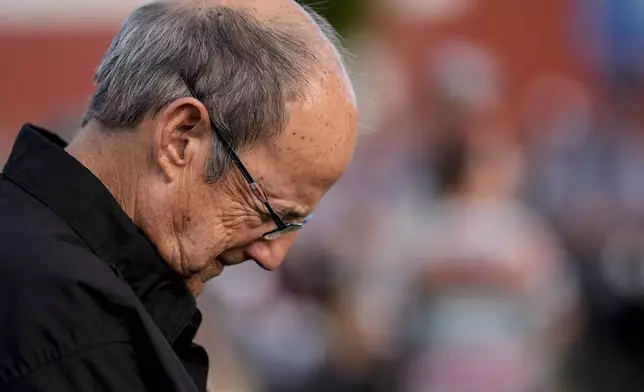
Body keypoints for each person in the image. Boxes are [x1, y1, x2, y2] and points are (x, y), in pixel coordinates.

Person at [0, 0, 358, 391]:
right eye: (270, 213)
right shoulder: (77, 340)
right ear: (180, 138)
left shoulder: (36, 251)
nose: (272, 255)